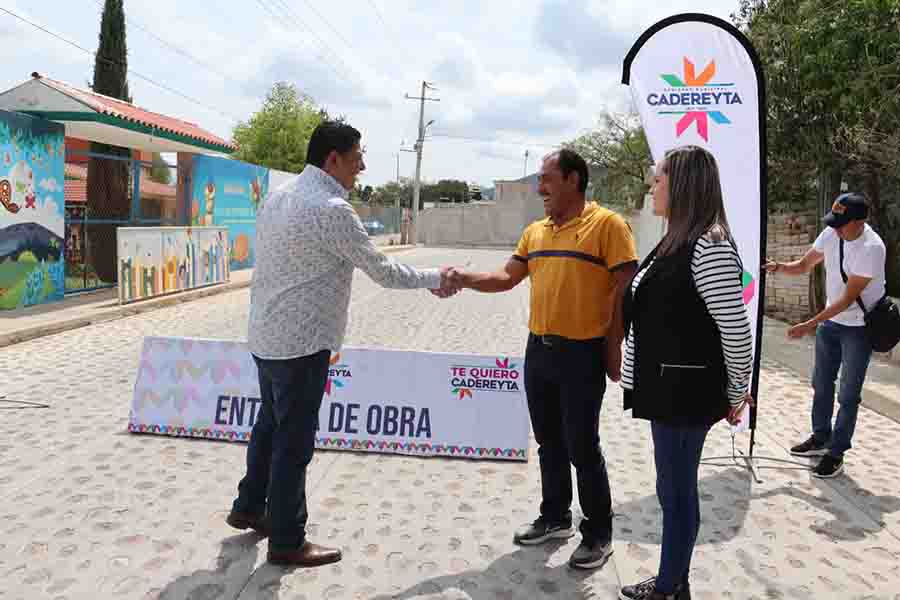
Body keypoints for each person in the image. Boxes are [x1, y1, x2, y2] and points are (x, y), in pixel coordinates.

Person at [226, 120, 458, 567]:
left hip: (265, 336)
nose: (362, 167)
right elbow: (383, 271)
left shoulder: (277, 197)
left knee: (269, 425)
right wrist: (437, 277)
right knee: (293, 443)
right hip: (302, 344)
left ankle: (250, 505)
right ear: (333, 159)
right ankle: (287, 540)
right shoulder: (332, 209)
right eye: (357, 158)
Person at [446, 149, 638, 569]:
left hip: (582, 354)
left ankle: (599, 533)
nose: (540, 188)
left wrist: (614, 347)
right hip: (539, 351)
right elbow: (505, 277)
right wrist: (463, 277)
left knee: (582, 446)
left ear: (573, 179)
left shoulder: (608, 225)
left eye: (547, 178)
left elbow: (625, 292)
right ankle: (555, 517)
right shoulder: (535, 232)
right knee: (549, 441)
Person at [618, 145, 753, 600]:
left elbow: (736, 331)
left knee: (676, 494)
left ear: (683, 185)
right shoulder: (677, 238)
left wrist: (736, 392)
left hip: (686, 392)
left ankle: (669, 588)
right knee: (672, 490)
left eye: (658, 179)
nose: (652, 187)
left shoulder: (710, 245)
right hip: (667, 387)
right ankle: (675, 582)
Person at [764, 192, 886, 478]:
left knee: (848, 394)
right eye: (834, 222)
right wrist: (779, 267)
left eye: (842, 224)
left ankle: (836, 452)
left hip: (859, 328)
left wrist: (808, 325)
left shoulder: (872, 248)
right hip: (831, 324)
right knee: (821, 382)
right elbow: (805, 265)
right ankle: (820, 437)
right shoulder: (833, 233)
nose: (835, 229)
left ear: (859, 222)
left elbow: (845, 301)